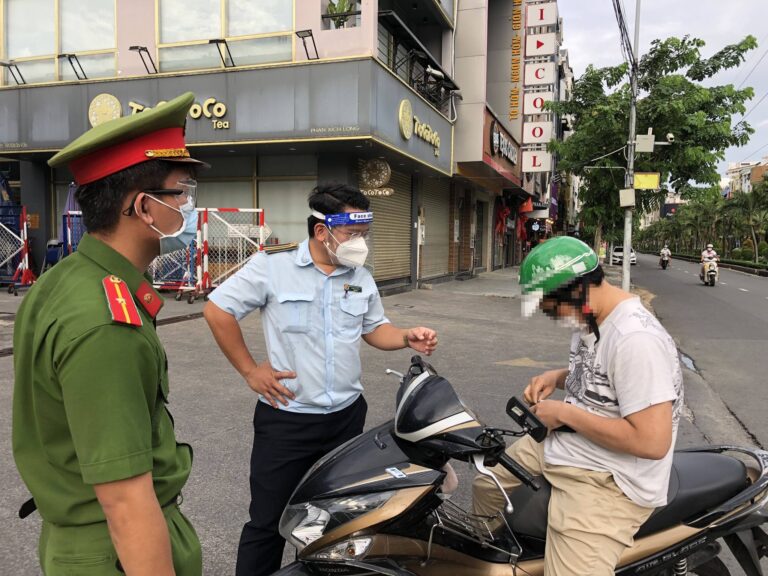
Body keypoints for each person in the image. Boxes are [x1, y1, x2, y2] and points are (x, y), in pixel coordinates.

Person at [13, 92, 205, 576]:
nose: (187, 205)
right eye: (180, 191)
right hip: (114, 552)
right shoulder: (105, 320)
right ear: (143, 207)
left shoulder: (68, 279)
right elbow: (125, 501)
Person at [203, 183, 439, 576]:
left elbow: (374, 327)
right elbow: (217, 311)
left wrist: (404, 337)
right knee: (268, 523)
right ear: (321, 231)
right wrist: (250, 370)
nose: (359, 243)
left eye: (363, 234)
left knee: (337, 522)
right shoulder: (272, 266)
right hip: (287, 421)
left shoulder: (359, 275)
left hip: (346, 420)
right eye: (351, 234)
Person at [472, 236, 682, 576]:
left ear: (575, 290)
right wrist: (557, 377)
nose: (553, 318)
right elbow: (608, 375)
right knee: (486, 482)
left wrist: (565, 413)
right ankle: (493, 558)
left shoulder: (636, 341)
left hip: (609, 478)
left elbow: (652, 442)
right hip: (570, 444)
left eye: (552, 309)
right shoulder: (595, 318)